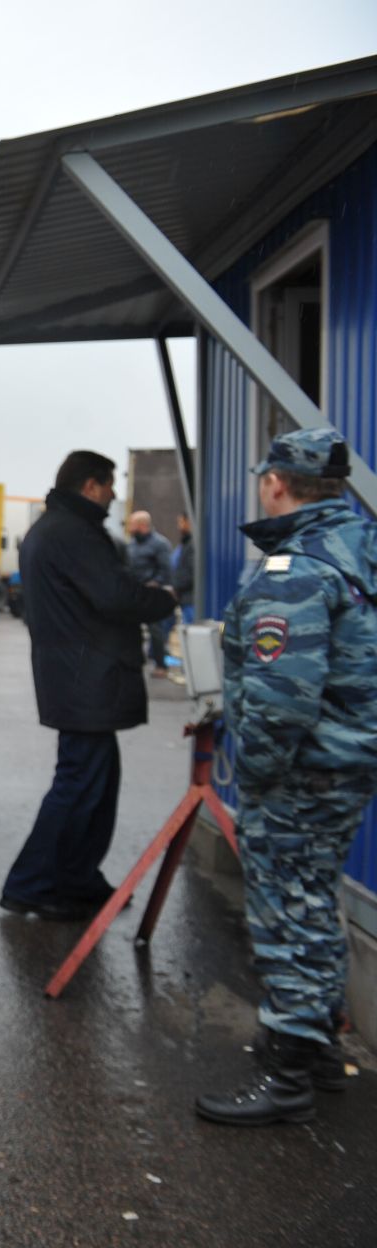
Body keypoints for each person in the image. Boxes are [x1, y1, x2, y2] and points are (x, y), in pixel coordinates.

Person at [195, 427, 377, 1126]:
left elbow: (279, 698)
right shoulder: (357, 550)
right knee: (315, 899)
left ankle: (290, 1072)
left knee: (287, 913)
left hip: (300, 774)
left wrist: (258, 779)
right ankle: (320, 1048)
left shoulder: (294, 570)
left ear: (276, 482)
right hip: (347, 764)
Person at [0, 452, 178, 919]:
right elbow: (114, 595)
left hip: (79, 678)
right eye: (110, 485)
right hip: (87, 680)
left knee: (94, 783)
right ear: (91, 486)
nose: (115, 494)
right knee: (80, 784)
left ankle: (76, 880)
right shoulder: (74, 533)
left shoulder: (55, 529)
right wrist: (163, 599)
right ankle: (34, 883)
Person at [125, 510, 174, 676]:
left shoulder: (160, 544)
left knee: (156, 631)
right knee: (131, 630)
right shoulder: (131, 545)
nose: (129, 528)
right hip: (133, 594)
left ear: (142, 525)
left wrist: (155, 583)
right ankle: (134, 662)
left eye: (132, 524)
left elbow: (166, 570)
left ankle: (161, 665)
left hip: (152, 595)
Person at [172, 511, 196, 623]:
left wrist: (176, 586)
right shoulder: (185, 544)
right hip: (185, 598)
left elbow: (192, 572)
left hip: (191, 599)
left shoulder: (193, 544)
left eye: (181, 522)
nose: (179, 526)